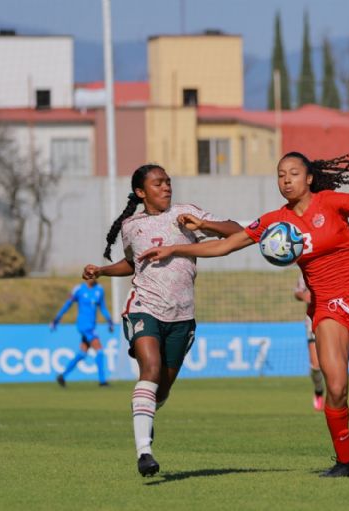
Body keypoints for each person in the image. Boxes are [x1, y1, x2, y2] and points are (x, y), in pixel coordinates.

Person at [139, 152, 349, 477]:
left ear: (309, 178)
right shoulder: (275, 221)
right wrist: (175, 248)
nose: (286, 180)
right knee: (335, 389)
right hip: (327, 308)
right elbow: (225, 245)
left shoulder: (331, 202)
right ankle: (343, 463)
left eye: (293, 173)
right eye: (280, 175)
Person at [82, 164, 242, 477]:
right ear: (141, 192)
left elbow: (237, 232)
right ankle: (144, 452)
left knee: (162, 390)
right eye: (158, 183)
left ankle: (145, 414)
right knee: (151, 369)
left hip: (182, 315)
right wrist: (102, 271)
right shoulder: (131, 226)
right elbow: (133, 263)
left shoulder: (186, 213)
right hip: (144, 307)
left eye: (168, 182)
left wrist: (203, 223)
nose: (166, 187)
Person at [50, 277, 114, 387]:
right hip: (84, 326)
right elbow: (67, 305)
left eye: (94, 275)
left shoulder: (99, 289)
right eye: (89, 275)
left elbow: (103, 307)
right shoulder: (78, 289)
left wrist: (109, 320)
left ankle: (62, 375)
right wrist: (56, 319)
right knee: (99, 350)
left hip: (92, 326)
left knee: (82, 353)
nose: (92, 277)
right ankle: (102, 381)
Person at [295, 274, 325, 411]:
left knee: (335, 363)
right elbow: (297, 292)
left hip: (333, 319)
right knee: (316, 365)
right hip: (312, 321)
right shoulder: (306, 271)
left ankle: (336, 398)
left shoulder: (333, 270)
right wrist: (303, 295)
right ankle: (319, 391)